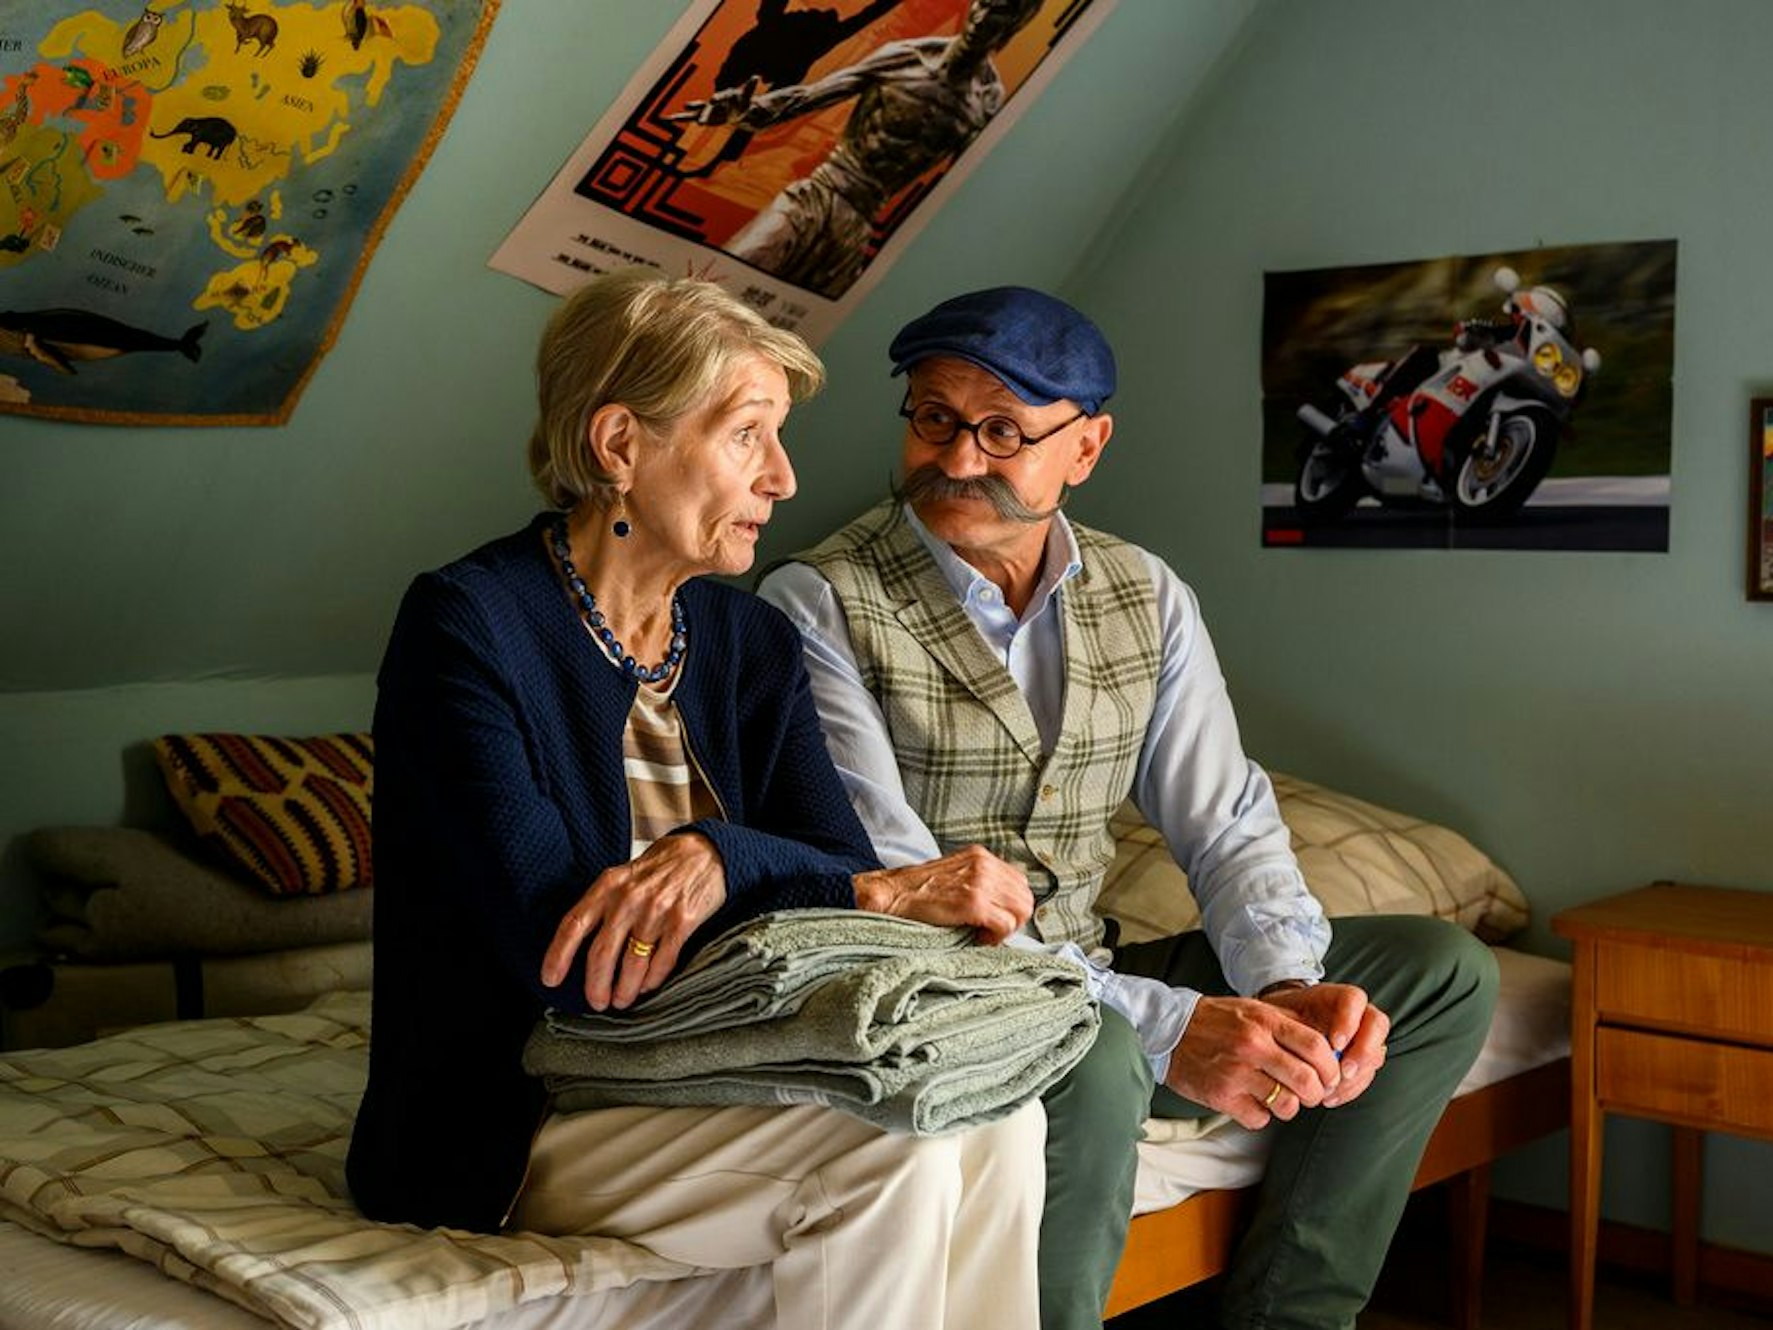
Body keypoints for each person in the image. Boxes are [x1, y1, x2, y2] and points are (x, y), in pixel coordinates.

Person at [758, 285, 1501, 1330]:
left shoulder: (1144, 591)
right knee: (1100, 1052)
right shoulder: (817, 602)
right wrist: (1170, 1028)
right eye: (933, 417)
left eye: (1004, 430)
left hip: (1089, 966)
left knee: (1440, 973)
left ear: (1087, 447)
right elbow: (896, 885)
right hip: (930, 997)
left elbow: (1225, 819)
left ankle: (1286, 1318)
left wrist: (1284, 984)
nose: (958, 459)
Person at [345, 270, 1046, 1330]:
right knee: (885, 1155)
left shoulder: (745, 637)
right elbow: (563, 947)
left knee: (1001, 1114)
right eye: (746, 435)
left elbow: (842, 890)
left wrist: (724, 856)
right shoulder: (469, 626)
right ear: (620, 446)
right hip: (523, 1103)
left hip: (716, 1061)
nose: (784, 478)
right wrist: (750, 857)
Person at [672, 0, 1046, 299]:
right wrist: (745, 111)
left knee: (787, 339)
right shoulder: (907, 57)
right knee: (714, 293)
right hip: (818, 194)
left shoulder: (989, 100)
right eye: (983, 4)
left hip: (858, 226)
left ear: (1015, 22)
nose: (983, 17)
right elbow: (811, 96)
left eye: (1000, 11)